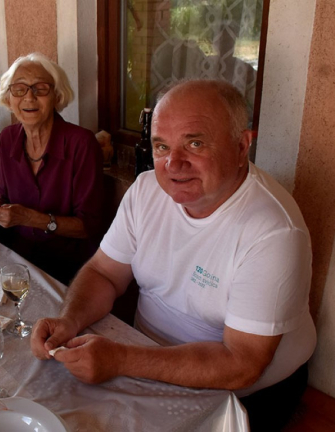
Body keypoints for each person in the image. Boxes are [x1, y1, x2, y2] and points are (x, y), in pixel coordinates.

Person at [30, 80, 315, 431]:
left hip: (243, 393)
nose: (173, 164)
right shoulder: (146, 189)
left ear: (242, 146)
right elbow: (104, 273)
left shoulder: (273, 231)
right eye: (161, 146)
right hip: (141, 356)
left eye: (194, 143)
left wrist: (119, 358)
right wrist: (68, 321)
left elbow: (242, 364)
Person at [0, 53, 104, 284]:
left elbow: (87, 227)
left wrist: (30, 218)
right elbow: (6, 197)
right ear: (8, 99)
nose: (29, 96)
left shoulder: (82, 143)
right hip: (17, 258)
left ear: (57, 96)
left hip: (69, 268)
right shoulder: (7, 139)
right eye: (19, 89)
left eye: (40, 88)